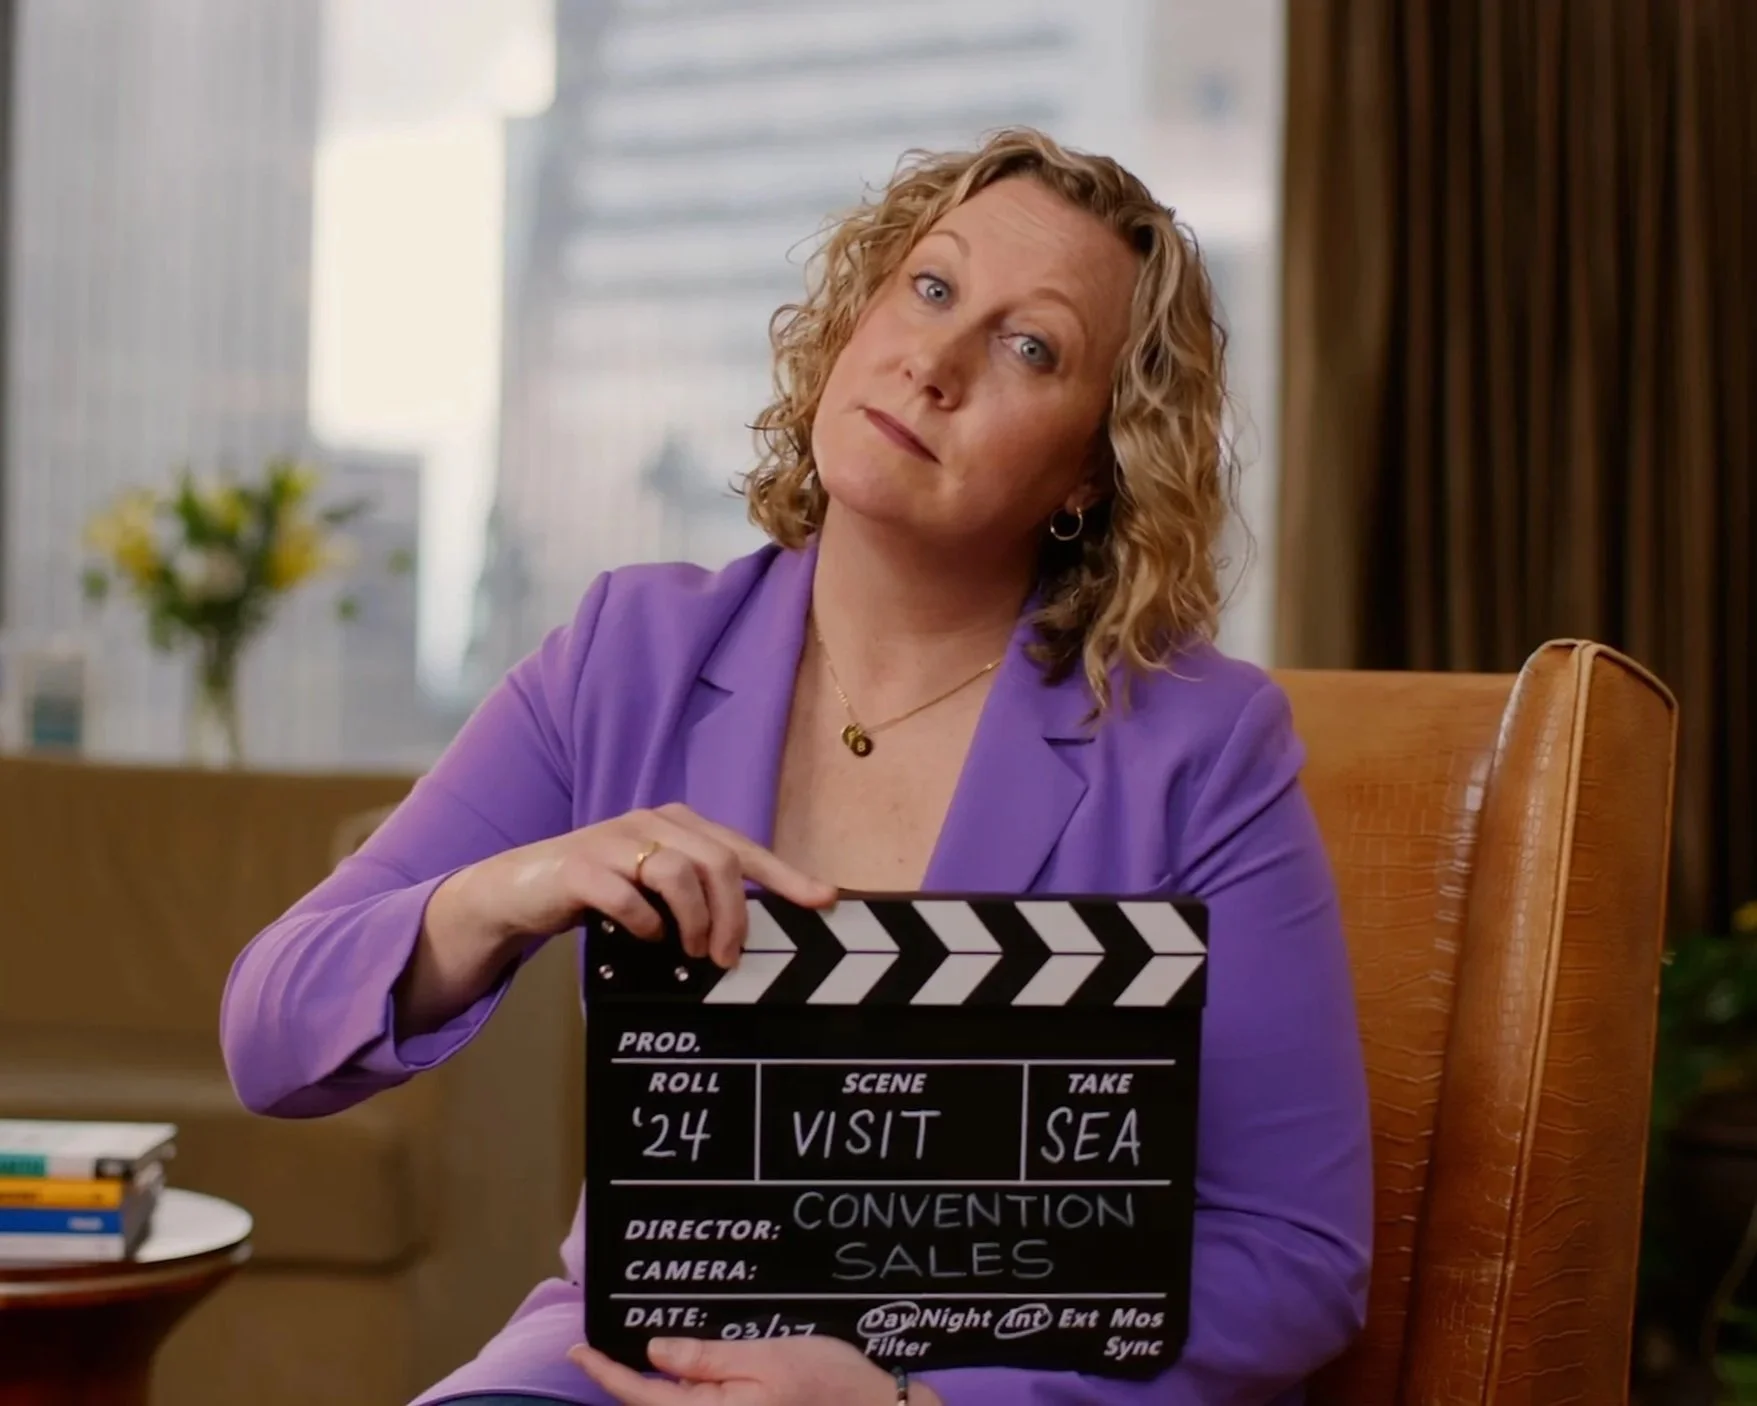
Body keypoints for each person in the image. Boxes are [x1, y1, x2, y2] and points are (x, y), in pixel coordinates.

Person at [220, 126, 1373, 1406]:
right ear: (854, 313)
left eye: (1028, 345)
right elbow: (270, 1035)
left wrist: (908, 1403)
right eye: (929, 288)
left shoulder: (1198, 744)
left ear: (1092, 472)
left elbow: (1295, 1252)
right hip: (620, 1368)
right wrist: (520, 882)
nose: (934, 361)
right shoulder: (630, 652)